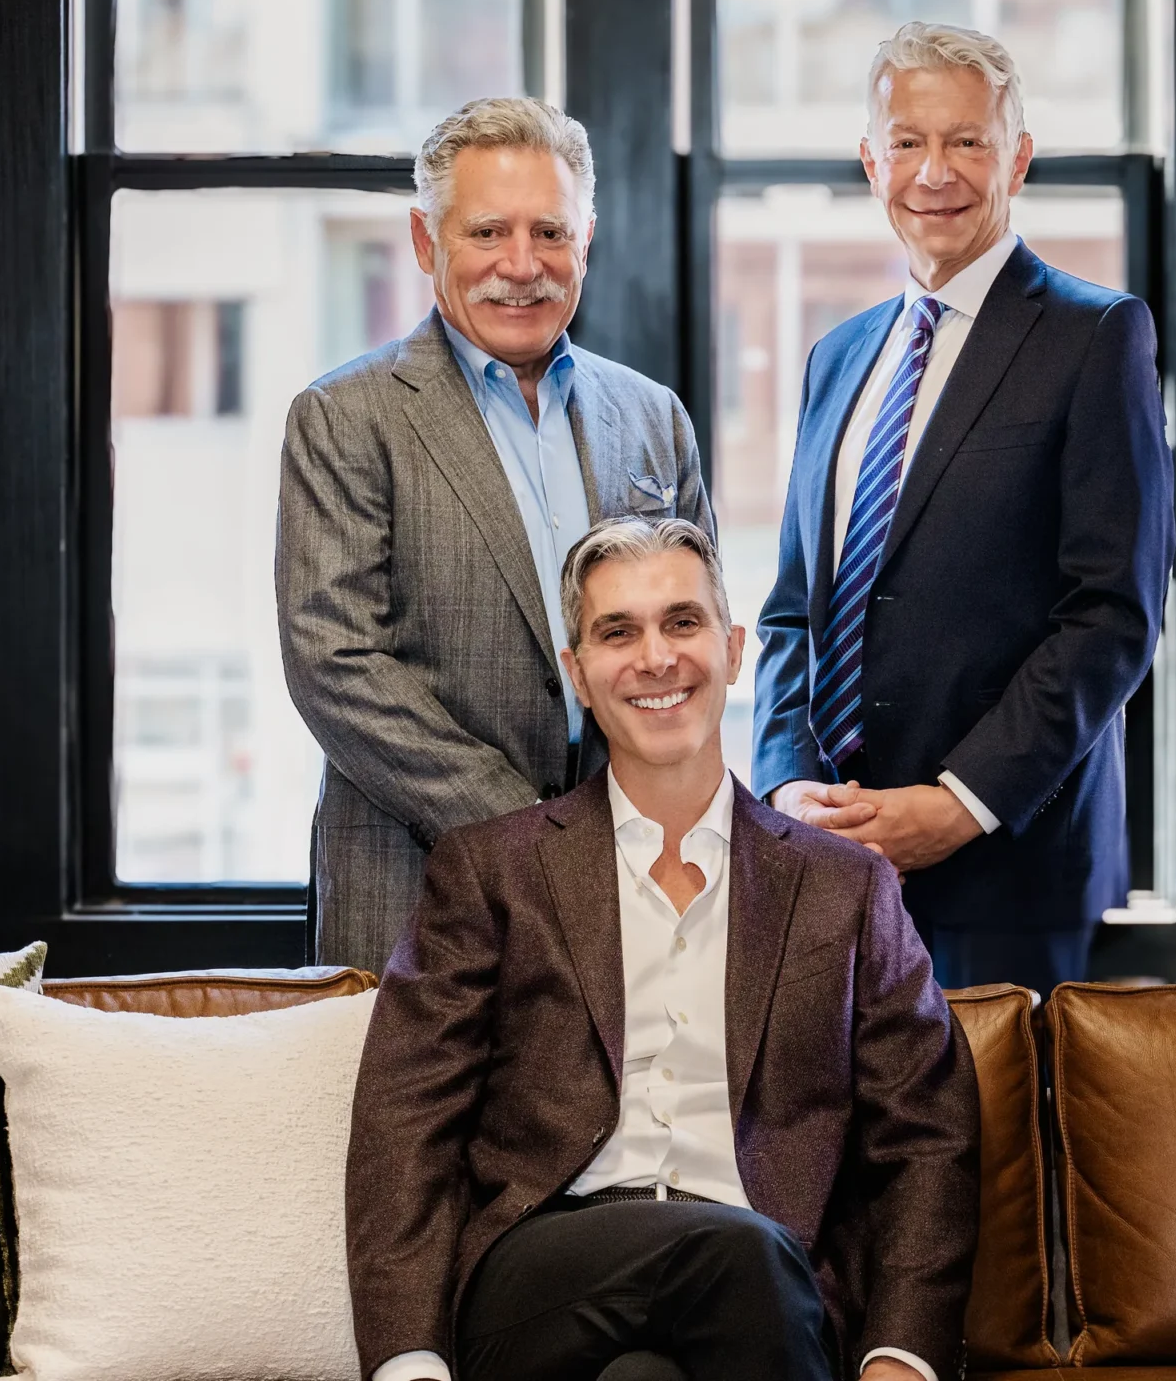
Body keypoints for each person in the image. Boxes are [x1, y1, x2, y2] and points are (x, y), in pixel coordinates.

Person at [347, 516, 978, 1381]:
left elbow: (927, 1135)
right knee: (740, 1257)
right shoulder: (491, 872)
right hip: (542, 1276)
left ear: (734, 647)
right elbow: (406, 1123)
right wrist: (408, 1360)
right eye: (618, 632)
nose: (655, 658)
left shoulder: (846, 887)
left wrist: (899, 1356)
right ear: (578, 674)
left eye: (683, 622)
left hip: (768, 1293)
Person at [752, 22, 1176, 996]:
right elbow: (791, 610)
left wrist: (958, 803)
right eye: (907, 141)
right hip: (832, 865)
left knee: (997, 1105)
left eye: (967, 141)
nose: (934, 172)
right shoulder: (837, 358)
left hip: (1010, 870)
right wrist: (787, 787)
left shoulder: (1096, 337)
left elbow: (1111, 614)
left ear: (1016, 157)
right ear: (872, 162)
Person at [279, 97, 713, 971]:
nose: (522, 265)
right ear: (425, 241)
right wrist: (541, 838)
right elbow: (335, 664)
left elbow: (691, 640)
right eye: (487, 233)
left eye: (550, 232)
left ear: (586, 240)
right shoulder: (344, 418)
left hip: (629, 893)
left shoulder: (653, 417)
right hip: (417, 892)